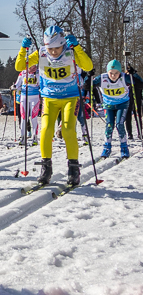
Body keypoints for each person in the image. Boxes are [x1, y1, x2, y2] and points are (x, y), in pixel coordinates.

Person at [15, 26, 93, 186]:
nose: (53, 51)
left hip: (70, 97)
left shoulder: (70, 52)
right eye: (50, 48)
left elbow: (88, 66)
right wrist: (23, 49)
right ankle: (46, 168)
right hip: (49, 98)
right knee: (46, 130)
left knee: (68, 130)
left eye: (57, 48)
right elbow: (19, 66)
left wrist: (77, 47)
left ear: (63, 43)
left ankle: (73, 169)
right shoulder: (42, 52)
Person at [92, 60, 131, 159]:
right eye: (111, 73)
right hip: (108, 105)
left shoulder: (124, 77)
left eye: (116, 73)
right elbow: (88, 85)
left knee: (119, 124)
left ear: (120, 72)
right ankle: (107, 147)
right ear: (107, 72)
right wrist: (88, 76)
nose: (113, 76)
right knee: (109, 125)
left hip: (122, 104)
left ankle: (124, 147)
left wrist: (133, 75)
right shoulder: (102, 78)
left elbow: (139, 83)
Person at [14, 63, 41, 144]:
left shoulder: (39, 73)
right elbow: (17, 84)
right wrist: (14, 87)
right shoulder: (23, 73)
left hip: (35, 97)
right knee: (23, 117)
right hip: (24, 97)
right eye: (32, 66)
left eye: (35, 66)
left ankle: (35, 137)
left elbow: (42, 84)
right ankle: (23, 137)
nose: (34, 68)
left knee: (33, 117)